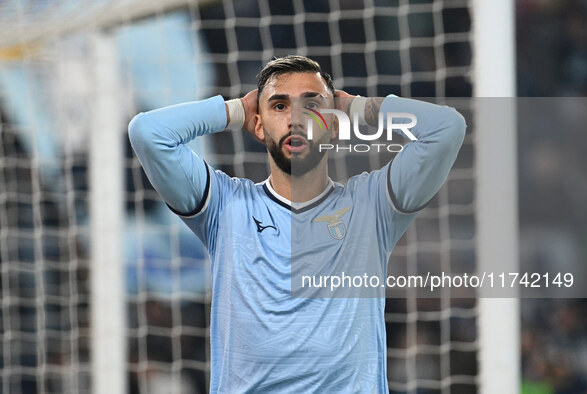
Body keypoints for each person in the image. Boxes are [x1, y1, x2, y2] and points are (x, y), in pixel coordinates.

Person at [129, 55, 465, 393]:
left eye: (312, 104)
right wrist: (236, 110)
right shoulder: (225, 205)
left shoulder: (371, 205)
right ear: (258, 126)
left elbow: (447, 128)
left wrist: (356, 107)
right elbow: (148, 133)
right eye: (279, 106)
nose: (296, 119)